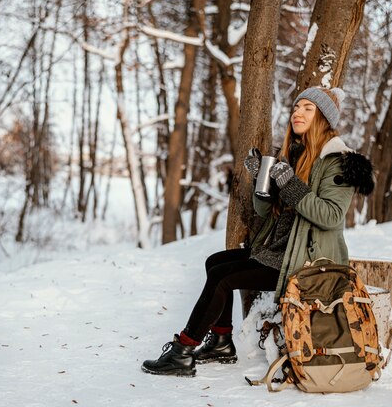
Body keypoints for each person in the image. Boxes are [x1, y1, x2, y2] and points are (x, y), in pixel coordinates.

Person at [141, 86, 375, 377]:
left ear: (323, 118)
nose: (297, 113)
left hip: (308, 264)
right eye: (296, 107)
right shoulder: (296, 154)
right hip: (281, 251)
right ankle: (221, 342)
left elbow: (330, 216)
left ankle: (183, 350)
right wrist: (261, 184)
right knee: (215, 262)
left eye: (307, 108)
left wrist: (289, 184)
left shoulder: (338, 161)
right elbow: (269, 213)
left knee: (222, 278)